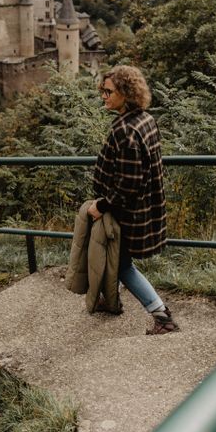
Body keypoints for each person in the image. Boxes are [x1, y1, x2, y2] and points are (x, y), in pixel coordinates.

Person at [88, 65, 179, 334]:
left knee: (123, 265)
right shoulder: (145, 119)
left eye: (108, 91)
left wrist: (101, 205)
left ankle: (163, 317)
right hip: (143, 209)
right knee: (116, 258)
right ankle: (111, 300)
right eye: (102, 91)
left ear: (126, 94)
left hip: (128, 212)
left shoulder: (125, 131)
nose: (103, 96)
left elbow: (129, 184)